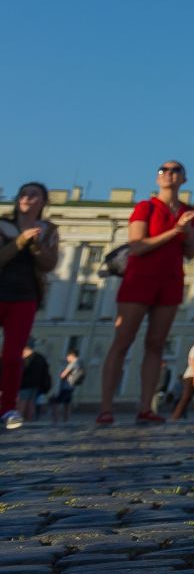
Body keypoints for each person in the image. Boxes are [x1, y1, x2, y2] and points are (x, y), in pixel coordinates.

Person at [99, 162, 194, 424]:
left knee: (156, 344)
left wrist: (187, 234)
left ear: (184, 179)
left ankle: (146, 407)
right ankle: (106, 408)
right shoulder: (146, 207)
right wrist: (174, 231)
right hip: (140, 279)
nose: (169, 174)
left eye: (175, 170)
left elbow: (190, 252)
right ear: (157, 178)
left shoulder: (189, 212)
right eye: (163, 170)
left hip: (171, 281)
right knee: (123, 341)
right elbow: (137, 246)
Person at [0, 182, 59, 431]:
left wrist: (36, 245)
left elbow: (49, 264)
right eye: (23, 193)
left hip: (25, 296)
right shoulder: (3, 224)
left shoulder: (48, 230)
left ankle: (7, 409)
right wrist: (20, 241)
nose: (26, 197)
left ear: (43, 202)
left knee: (13, 356)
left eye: (33, 195)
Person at [51, 348, 82, 424]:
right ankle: (66, 420)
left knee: (56, 403)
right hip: (71, 388)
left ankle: (56, 420)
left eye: (68, 356)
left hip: (65, 387)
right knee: (67, 404)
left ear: (72, 356)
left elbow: (63, 375)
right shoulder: (78, 364)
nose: (67, 357)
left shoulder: (72, 364)